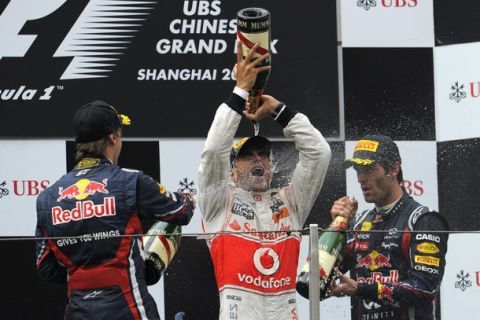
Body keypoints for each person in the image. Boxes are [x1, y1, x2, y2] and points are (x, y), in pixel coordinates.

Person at [198, 42, 332, 320]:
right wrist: (240, 92)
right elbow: (214, 152)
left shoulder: (291, 201)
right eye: (248, 156)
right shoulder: (218, 202)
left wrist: (276, 109)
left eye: (264, 155)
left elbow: (319, 154)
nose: (258, 160)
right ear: (232, 171)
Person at [35, 100, 195, 320]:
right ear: (112, 138)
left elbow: (46, 267)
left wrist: (88, 276)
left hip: (78, 311)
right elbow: (181, 211)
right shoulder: (130, 181)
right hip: (128, 308)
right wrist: (190, 199)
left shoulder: (47, 197)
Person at [329, 135, 449, 320]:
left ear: (393, 168)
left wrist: (361, 289)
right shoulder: (359, 224)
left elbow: (425, 288)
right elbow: (316, 281)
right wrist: (337, 226)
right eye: (358, 170)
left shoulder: (422, 220)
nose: (361, 178)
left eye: (369, 169)